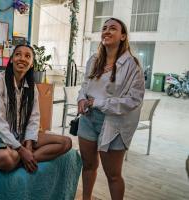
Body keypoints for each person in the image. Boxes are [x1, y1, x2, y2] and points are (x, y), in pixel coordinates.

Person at [77, 18, 145, 200]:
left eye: (113, 28)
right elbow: (85, 85)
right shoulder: (94, 59)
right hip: (88, 119)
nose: (106, 31)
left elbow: (133, 100)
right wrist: (82, 99)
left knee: (113, 175)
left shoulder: (132, 65)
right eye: (104, 28)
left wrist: (97, 102)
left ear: (123, 36)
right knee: (88, 166)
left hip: (114, 123)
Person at [0, 44, 72, 173]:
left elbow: (34, 118)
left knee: (66, 142)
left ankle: (23, 159)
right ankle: (21, 157)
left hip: (22, 134)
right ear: (12, 59)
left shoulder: (31, 87)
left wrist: (28, 144)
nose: (22, 58)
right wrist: (21, 149)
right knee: (4, 158)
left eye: (27, 56)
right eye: (18, 54)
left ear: (31, 64)